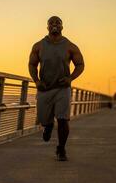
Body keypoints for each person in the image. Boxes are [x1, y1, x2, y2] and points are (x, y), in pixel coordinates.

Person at [28, 16, 84, 161]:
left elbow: (80, 64)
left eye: (58, 23)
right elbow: (32, 64)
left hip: (62, 88)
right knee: (44, 119)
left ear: (62, 27)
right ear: (47, 27)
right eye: (51, 23)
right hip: (45, 88)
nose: (54, 25)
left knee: (63, 119)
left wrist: (70, 78)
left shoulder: (70, 46)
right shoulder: (38, 46)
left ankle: (61, 149)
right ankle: (47, 126)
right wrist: (36, 81)